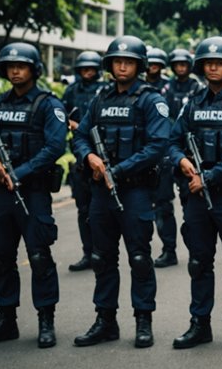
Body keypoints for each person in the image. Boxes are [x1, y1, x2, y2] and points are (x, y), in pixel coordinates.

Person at [71, 35, 171, 348]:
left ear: (139, 65)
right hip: (101, 192)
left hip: (135, 191)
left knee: (140, 257)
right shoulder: (100, 98)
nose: (122, 65)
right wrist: (89, 157)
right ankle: (105, 320)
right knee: (102, 258)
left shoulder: (150, 99)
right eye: (117, 61)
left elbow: (158, 145)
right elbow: (81, 136)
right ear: (110, 65)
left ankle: (143, 320)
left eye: (128, 61)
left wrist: (119, 170)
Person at [0, 43, 66, 349]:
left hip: (33, 193)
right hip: (1, 195)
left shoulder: (49, 105)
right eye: (10, 66)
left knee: (39, 257)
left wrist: (19, 173)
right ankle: (6, 319)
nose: (14, 70)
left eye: (21, 66)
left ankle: (46, 319)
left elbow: (55, 147)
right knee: (1, 258)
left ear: (34, 69)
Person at [168, 36, 222, 351]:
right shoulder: (193, 101)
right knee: (198, 262)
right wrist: (180, 160)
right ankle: (200, 324)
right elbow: (172, 140)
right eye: (209, 62)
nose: (214, 66)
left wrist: (209, 177)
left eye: (220, 62)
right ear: (201, 66)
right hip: (196, 196)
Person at [153, 48, 203, 269]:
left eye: (184, 64)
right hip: (165, 153)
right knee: (162, 205)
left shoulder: (197, 88)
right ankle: (168, 250)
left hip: (188, 156)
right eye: (177, 64)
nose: (181, 68)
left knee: (190, 205)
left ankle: (196, 250)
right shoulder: (164, 88)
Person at [62, 50, 106, 272]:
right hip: (81, 159)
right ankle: (88, 253)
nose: (87, 72)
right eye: (84, 69)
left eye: (91, 69)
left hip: (102, 157)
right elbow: (60, 115)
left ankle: (102, 251)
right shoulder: (71, 91)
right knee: (84, 209)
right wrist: (71, 124)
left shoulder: (104, 90)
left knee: (104, 209)